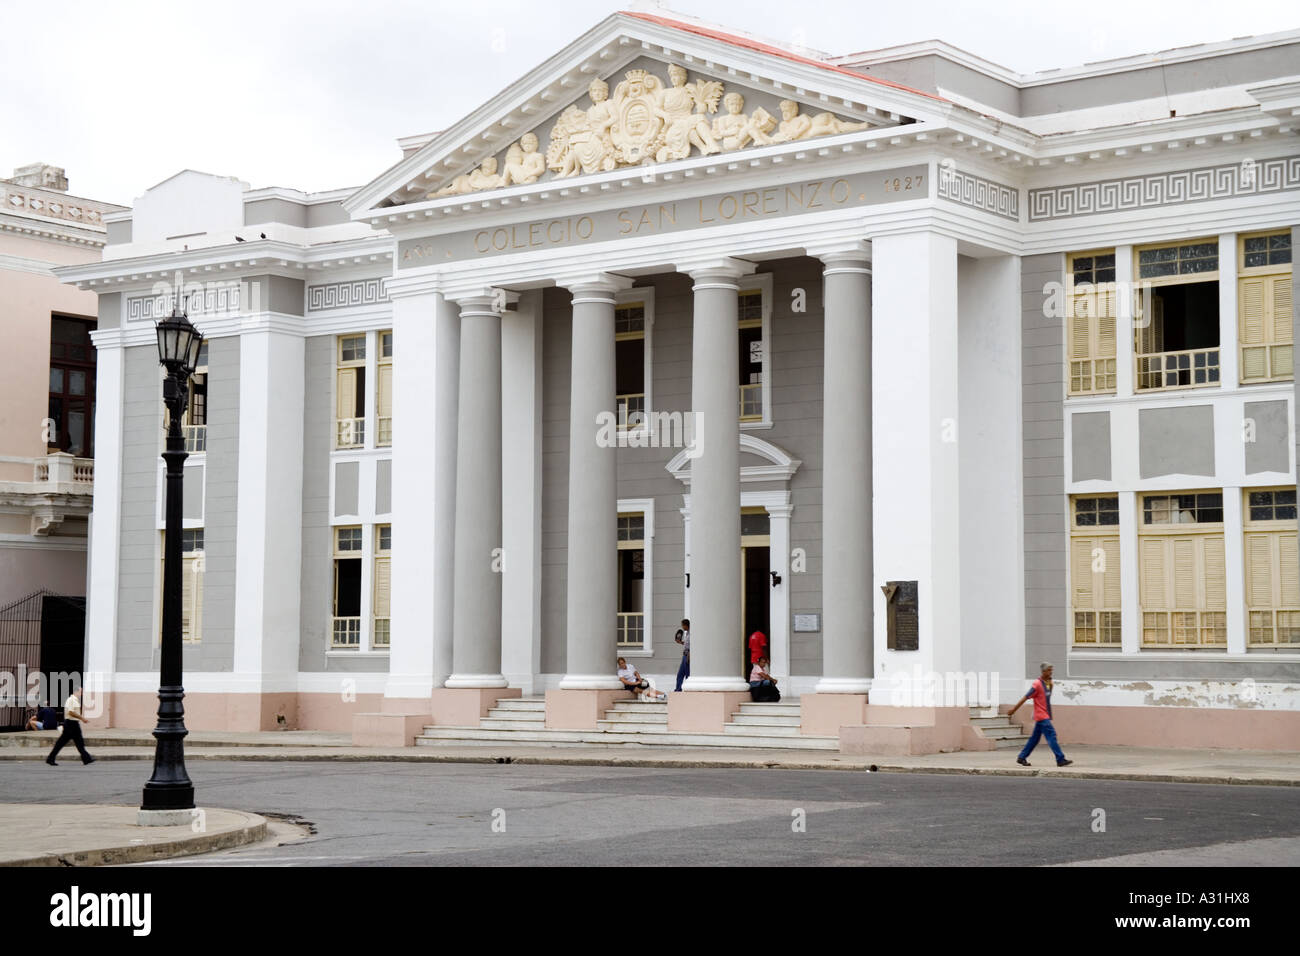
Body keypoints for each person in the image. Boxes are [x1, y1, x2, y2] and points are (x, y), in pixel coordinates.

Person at [1007, 662, 1072, 768]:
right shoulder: (1037, 684)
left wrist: (1050, 685)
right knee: (1052, 735)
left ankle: (1022, 757)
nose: (1051, 672)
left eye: (1052, 670)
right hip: (1041, 716)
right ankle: (1060, 759)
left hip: (1043, 715)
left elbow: (1047, 697)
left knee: (1034, 739)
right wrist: (1013, 710)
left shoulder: (1047, 683)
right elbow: (1026, 697)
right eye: (1049, 670)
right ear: (1043, 671)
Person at [46, 689, 95, 766]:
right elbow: (71, 712)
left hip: (74, 724)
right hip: (70, 724)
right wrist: (82, 718)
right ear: (75, 691)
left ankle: (86, 758)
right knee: (61, 743)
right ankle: (50, 758)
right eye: (80, 691)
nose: (82, 693)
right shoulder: (71, 700)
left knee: (79, 742)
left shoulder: (74, 700)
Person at [673, 618, 691, 692]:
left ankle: (688, 689)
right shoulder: (687, 633)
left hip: (688, 655)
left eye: (682, 625)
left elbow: (693, 645)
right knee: (680, 674)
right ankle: (678, 689)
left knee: (687, 674)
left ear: (686, 625)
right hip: (684, 655)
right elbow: (687, 644)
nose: (682, 627)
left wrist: (689, 655)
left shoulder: (692, 634)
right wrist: (680, 642)